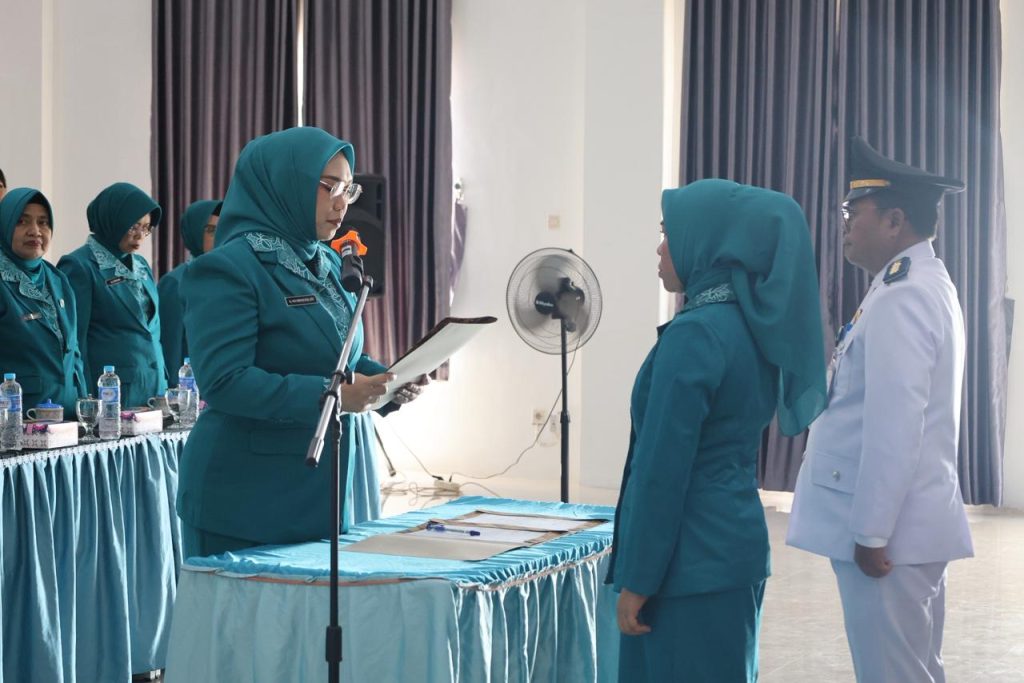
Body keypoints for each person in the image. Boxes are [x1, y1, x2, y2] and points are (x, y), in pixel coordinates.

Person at [608, 179, 827, 682]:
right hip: (734, 551)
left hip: (686, 566)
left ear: (705, 242)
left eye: (668, 234)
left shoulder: (695, 334)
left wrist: (639, 579)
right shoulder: (748, 324)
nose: (660, 248)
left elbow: (663, 471)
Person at [176, 126, 426, 558]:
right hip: (243, 498)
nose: (342, 203)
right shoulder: (228, 268)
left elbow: (338, 354)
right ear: (283, 184)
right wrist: (334, 397)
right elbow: (225, 381)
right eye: (330, 187)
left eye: (348, 190)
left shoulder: (326, 261)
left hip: (317, 490)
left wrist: (385, 380)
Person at [786, 136, 973, 683]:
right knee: (913, 670)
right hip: (908, 528)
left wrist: (870, 532)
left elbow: (896, 425)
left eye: (855, 212)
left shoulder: (904, 294)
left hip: (892, 538)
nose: (844, 223)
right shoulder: (911, 283)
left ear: (894, 221)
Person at [57, 182, 167, 409]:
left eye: (146, 228)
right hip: (112, 394)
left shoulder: (142, 265)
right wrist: (86, 399)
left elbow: (150, 331)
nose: (140, 235)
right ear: (112, 220)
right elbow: (76, 342)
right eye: (133, 226)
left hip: (154, 388)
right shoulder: (79, 265)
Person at [0, 188, 87, 417]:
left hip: (68, 414)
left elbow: (74, 353)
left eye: (43, 222)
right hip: (20, 418)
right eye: (22, 221)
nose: (35, 231)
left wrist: (84, 406)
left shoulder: (58, 279)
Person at [158, 199, 221, 374]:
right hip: (190, 382)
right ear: (194, 232)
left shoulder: (229, 279)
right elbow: (170, 349)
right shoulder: (175, 283)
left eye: (223, 229)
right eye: (211, 230)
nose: (219, 237)